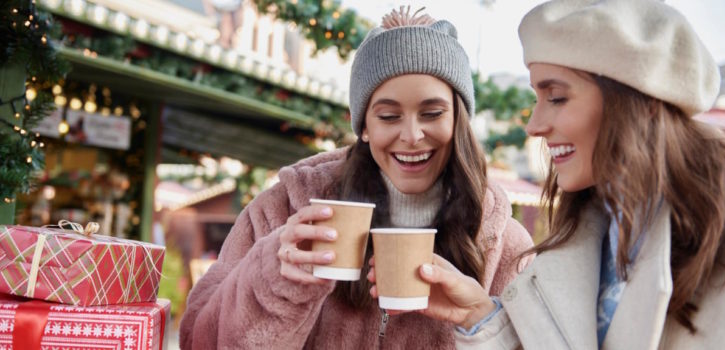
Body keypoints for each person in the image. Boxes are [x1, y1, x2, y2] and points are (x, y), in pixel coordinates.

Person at [369, 0, 725, 349]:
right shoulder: (591, 233)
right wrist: (481, 318)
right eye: (536, 99)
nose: (534, 125)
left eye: (556, 98)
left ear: (644, 101)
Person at [179, 6, 534, 349]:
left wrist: (485, 323)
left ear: (458, 119)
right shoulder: (284, 210)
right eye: (389, 117)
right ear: (363, 125)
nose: (411, 135)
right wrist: (273, 280)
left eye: (432, 113)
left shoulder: (504, 243)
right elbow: (198, 341)